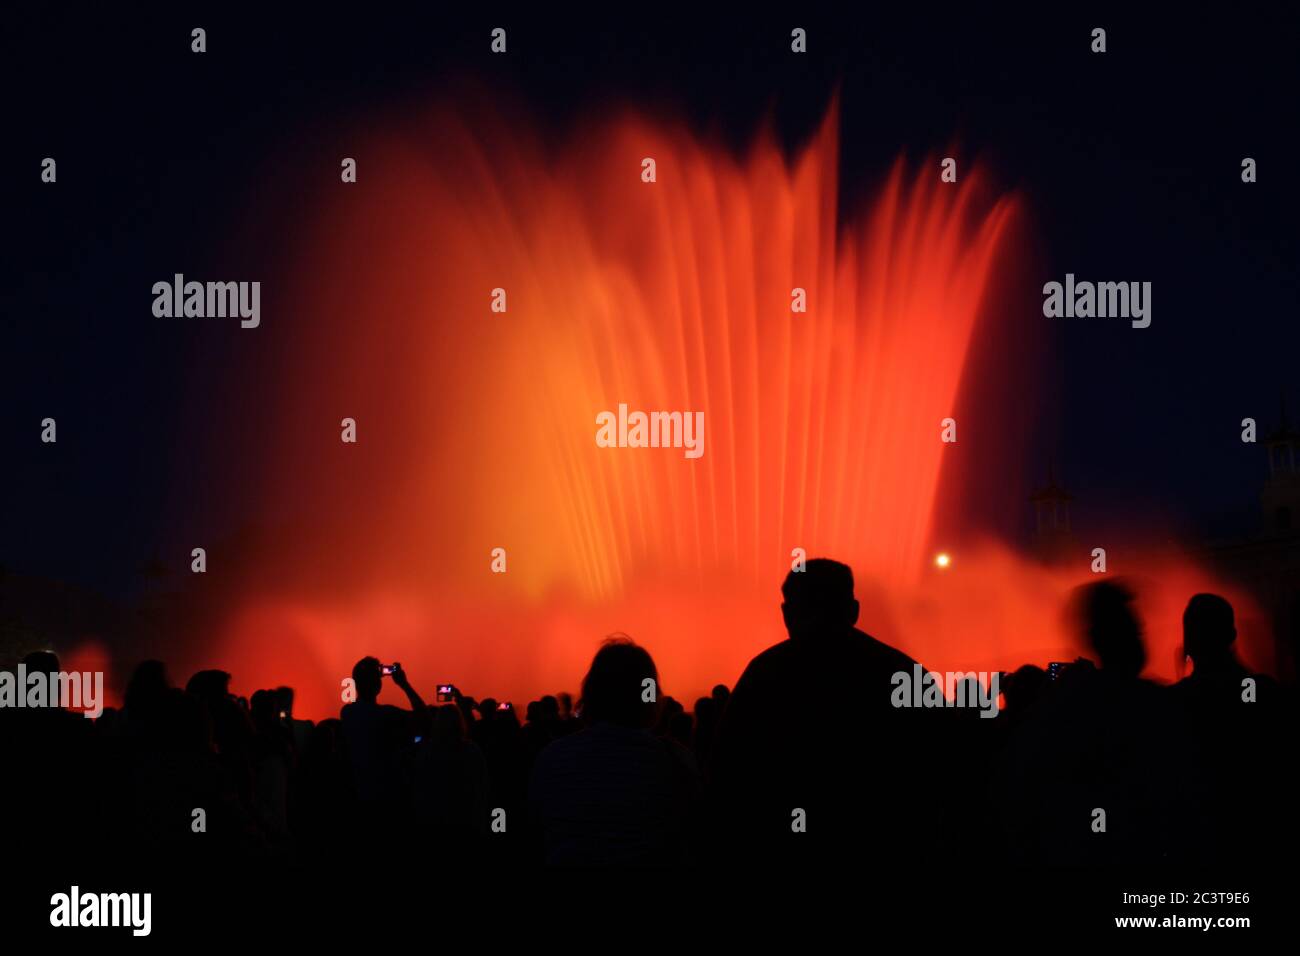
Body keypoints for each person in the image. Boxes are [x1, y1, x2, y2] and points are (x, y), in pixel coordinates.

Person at [710, 559, 946, 863]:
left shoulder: (764, 674)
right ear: (853, 611)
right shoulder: (902, 673)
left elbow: (727, 768)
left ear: (787, 614)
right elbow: (943, 760)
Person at [529, 637, 700, 865]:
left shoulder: (551, 758)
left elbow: (534, 833)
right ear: (650, 695)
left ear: (590, 692)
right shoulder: (676, 761)